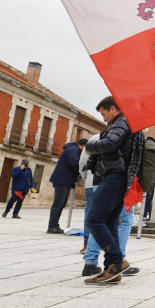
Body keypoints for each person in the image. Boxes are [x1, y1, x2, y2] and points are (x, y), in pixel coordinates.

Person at [83, 96, 136, 284]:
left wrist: (90, 146)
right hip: (117, 177)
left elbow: (110, 143)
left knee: (94, 219)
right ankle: (112, 270)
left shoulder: (121, 122)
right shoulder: (121, 122)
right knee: (110, 222)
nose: (103, 119)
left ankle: (116, 261)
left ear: (113, 109)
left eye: (104, 114)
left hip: (114, 176)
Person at [47, 139, 86, 233]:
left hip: (63, 180)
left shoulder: (72, 149)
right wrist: (85, 169)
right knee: (58, 204)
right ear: (83, 146)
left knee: (60, 204)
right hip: (62, 180)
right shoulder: (73, 150)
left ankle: (54, 225)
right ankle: (52, 226)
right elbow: (74, 164)